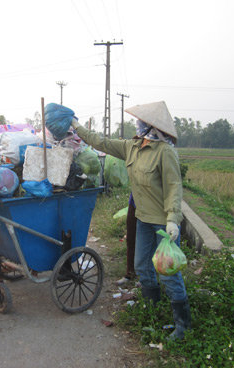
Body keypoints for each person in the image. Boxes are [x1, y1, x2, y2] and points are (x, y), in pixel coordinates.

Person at [71, 101, 191, 340]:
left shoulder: (164, 152)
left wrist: (173, 220)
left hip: (163, 223)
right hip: (143, 218)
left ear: (151, 127)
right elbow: (101, 142)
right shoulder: (132, 147)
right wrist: (77, 127)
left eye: (142, 123)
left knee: (168, 272)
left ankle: (182, 325)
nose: (137, 124)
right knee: (142, 267)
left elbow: (174, 188)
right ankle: (152, 310)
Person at [116, 192, 137, 285]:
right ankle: (130, 273)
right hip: (134, 203)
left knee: (148, 243)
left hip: (150, 207)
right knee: (131, 239)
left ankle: (146, 278)